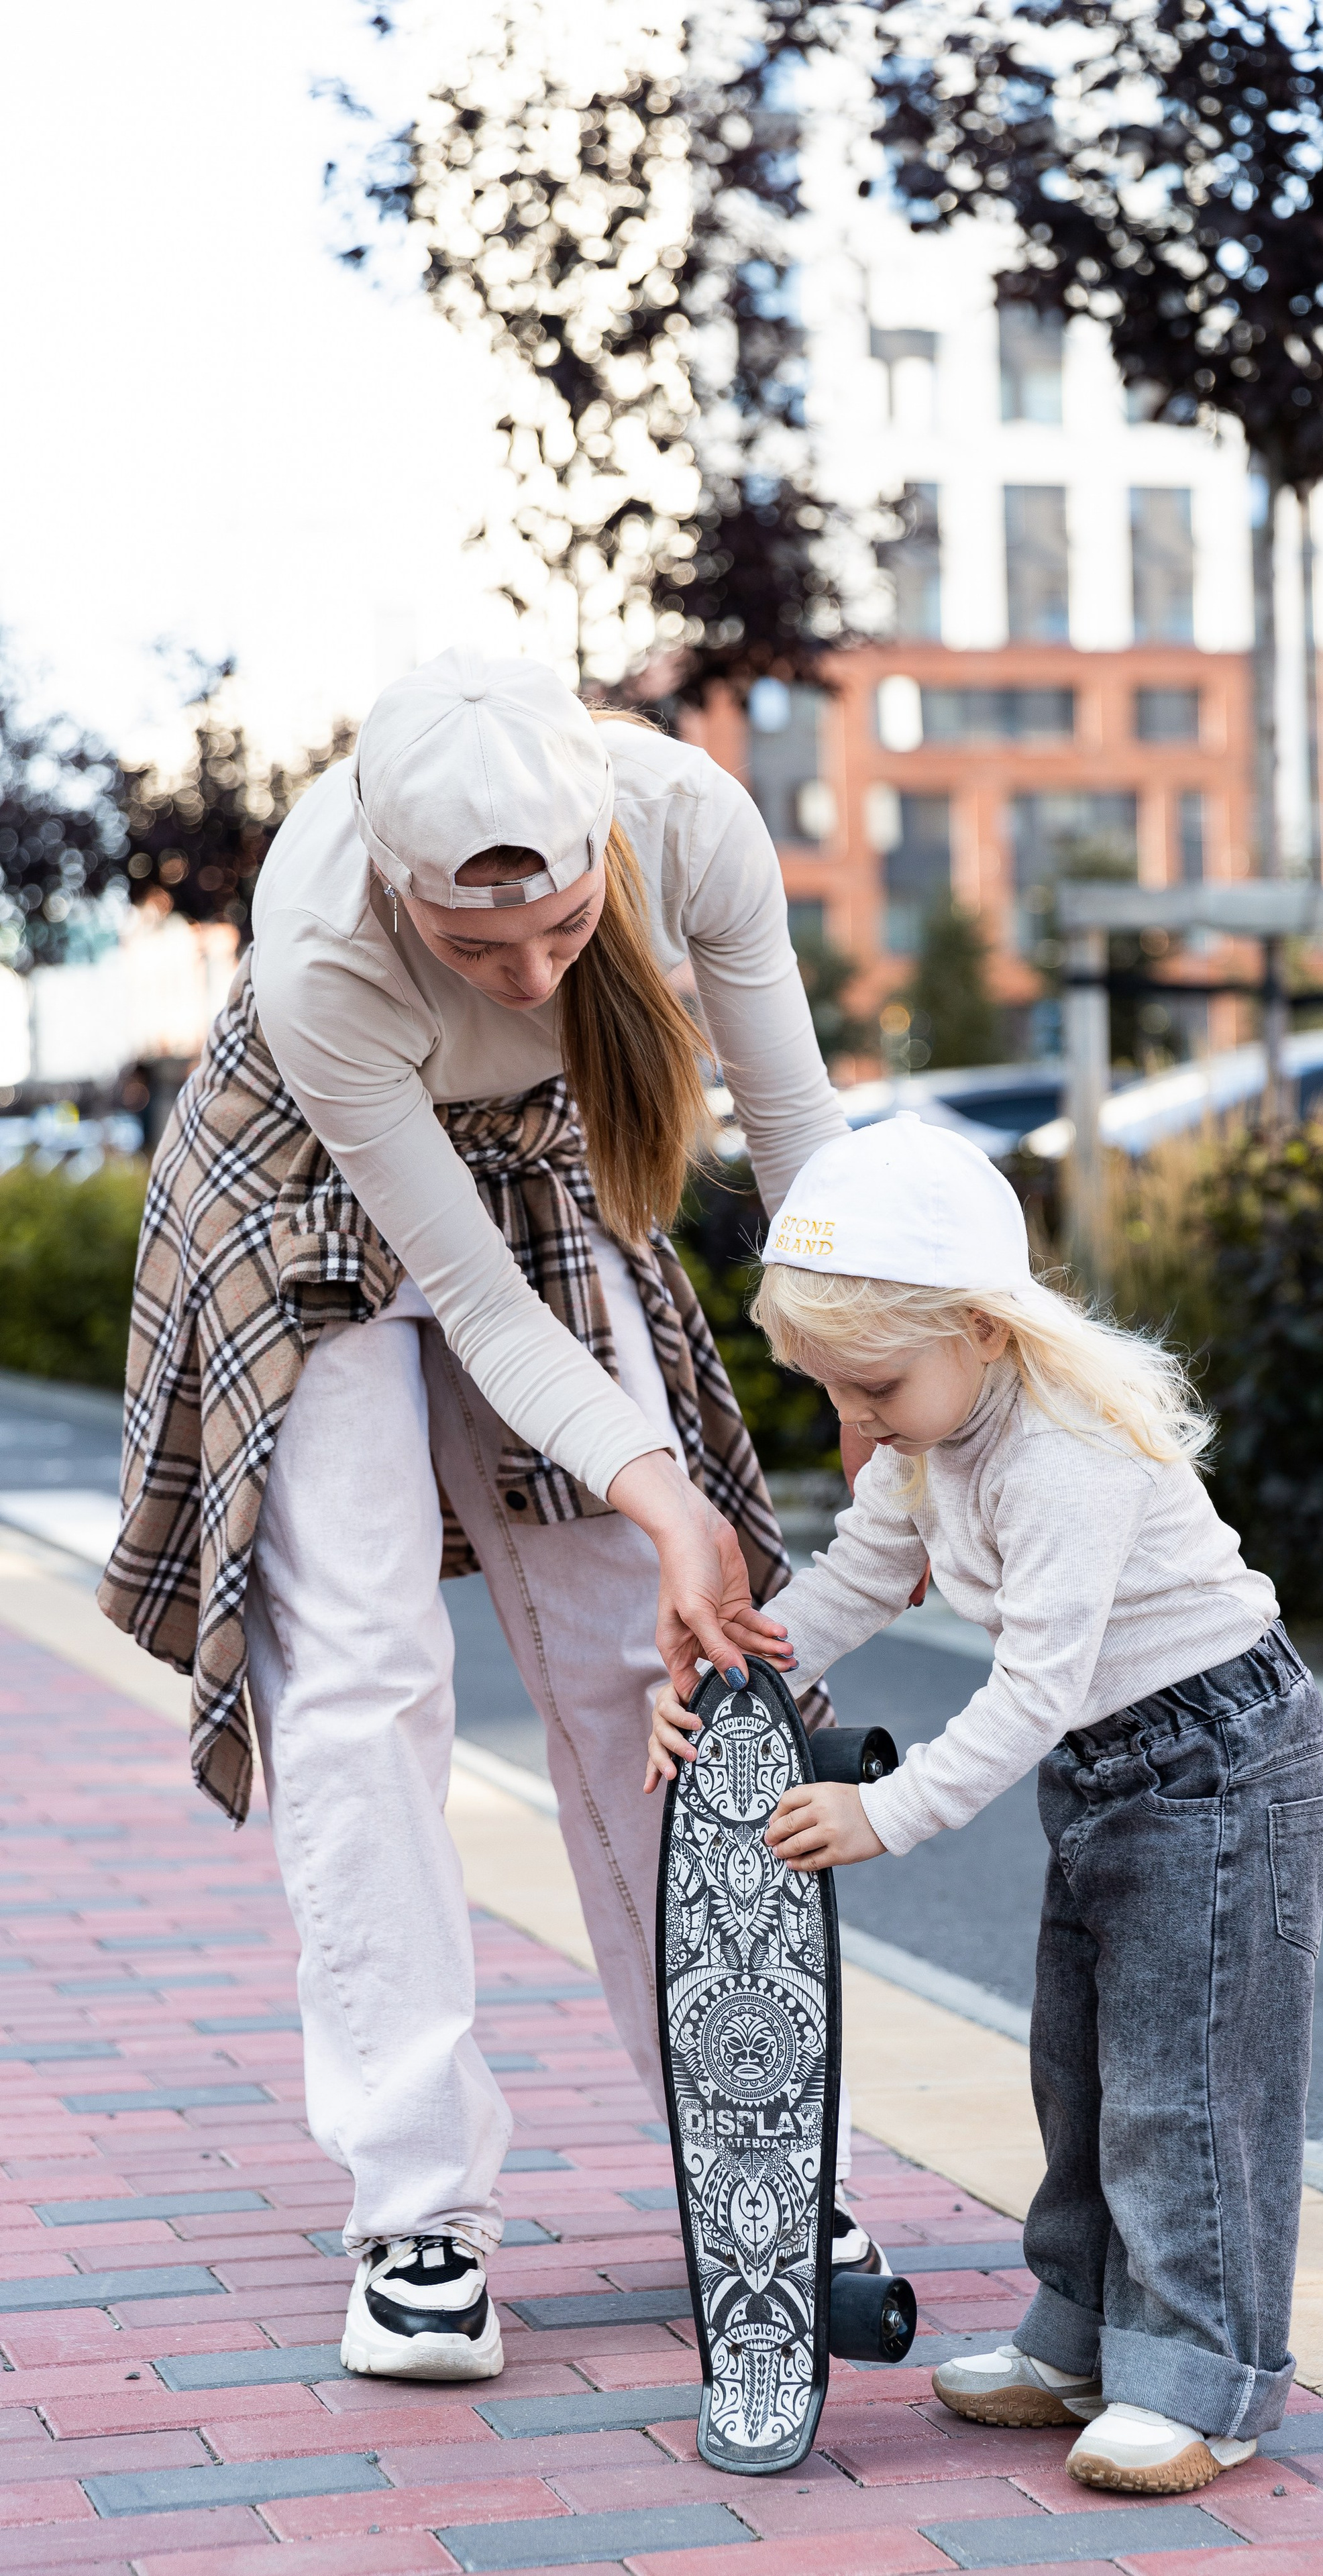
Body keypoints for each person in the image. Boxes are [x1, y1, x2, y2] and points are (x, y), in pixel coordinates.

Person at [99, 646, 887, 2386]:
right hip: (303, 1187)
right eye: (477, 951)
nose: (533, 970)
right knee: (369, 1671)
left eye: (558, 929)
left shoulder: (691, 825)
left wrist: (868, 1361)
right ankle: (417, 2213)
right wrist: (662, 1485)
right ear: (397, 894)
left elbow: (798, 1133)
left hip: (532, 1159)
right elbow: (471, 1296)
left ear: (602, 833)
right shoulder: (323, 954)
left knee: (643, 1664)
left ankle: (762, 2166)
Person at [645, 1113, 1323, 2497]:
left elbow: (1033, 1683)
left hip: (1213, 1760)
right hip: (1111, 1767)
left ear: (980, 1329)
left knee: (1182, 2085)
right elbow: (849, 1584)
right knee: (1075, 2069)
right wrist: (733, 1678)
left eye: (876, 1388)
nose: (855, 1425)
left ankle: (1202, 2381)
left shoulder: (1060, 1451)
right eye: (831, 1395)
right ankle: (1081, 2338)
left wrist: (883, 1813)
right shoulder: (927, 1436)